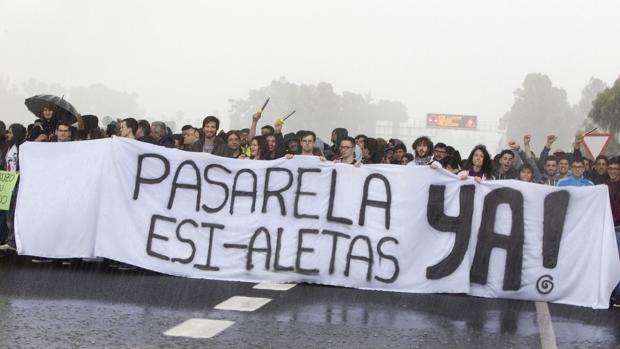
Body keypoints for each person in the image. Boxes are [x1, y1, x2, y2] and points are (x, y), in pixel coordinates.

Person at [605, 157, 620, 307]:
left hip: (618, 228)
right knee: (610, 263)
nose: (613, 171)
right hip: (608, 230)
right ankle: (612, 295)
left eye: (616, 169)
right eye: (611, 169)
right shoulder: (604, 186)